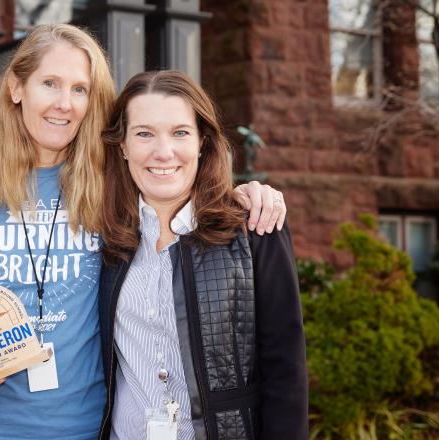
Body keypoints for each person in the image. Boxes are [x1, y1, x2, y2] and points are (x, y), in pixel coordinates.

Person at [0, 25, 287, 439]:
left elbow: (174, 180)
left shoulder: (108, 178)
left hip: (84, 426)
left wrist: (247, 194)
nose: (65, 104)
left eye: (81, 89)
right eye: (50, 84)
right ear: (16, 87)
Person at [98, 70, 308, 440]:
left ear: (201, 142)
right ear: (123, 145)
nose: (163, 152)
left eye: (180, 132)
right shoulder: (103, 237)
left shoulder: (253, 227)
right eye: (144, 133)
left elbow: (285, 369)